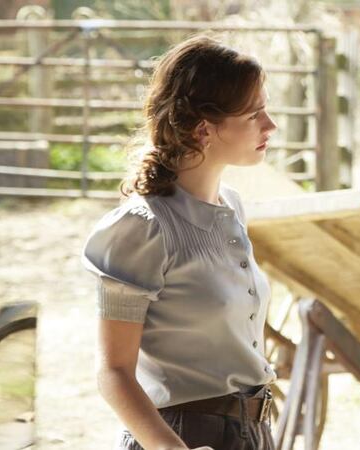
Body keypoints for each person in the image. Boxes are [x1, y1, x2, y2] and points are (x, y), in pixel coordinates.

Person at [81, 34, 278, 450]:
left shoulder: (233, 209)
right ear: (204, 128)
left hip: (255, 434)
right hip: (183, 436)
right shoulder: (141, 228)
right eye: (254, 114)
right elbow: (113, 371)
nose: (270, 126)